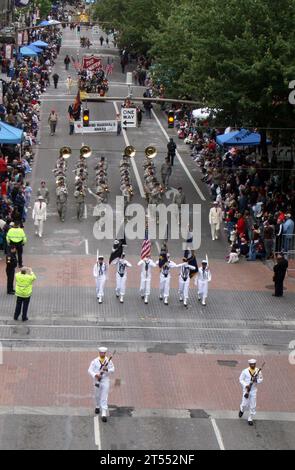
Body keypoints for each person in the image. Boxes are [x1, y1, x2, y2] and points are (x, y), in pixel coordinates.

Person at [88, 346, 115, 422]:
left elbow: (113, 370)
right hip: (97, 380)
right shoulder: (95, 361)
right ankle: (97, 406)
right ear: (99, 353)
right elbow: (89, 370)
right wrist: (96, 375)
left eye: (104, 353)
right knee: (97, 395)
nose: (102, 354)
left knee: (104, 396)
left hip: (105, 380)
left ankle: (103, 413)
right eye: (101, 352)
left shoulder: (108, 361)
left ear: (105, 353)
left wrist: (108, 370)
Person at [239, 359, 263, 426]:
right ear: (249, 364)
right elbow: (241, 379)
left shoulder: (258, 371)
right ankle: (242, 410)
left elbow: (261, 379)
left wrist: (256, 380)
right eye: (251, 364)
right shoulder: (245, 371)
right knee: (244, 404)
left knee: (253, 405)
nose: (253, 365)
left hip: (253, 390)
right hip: (247, 390)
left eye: (254, 364)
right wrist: (246, 385)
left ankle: (250, 418)